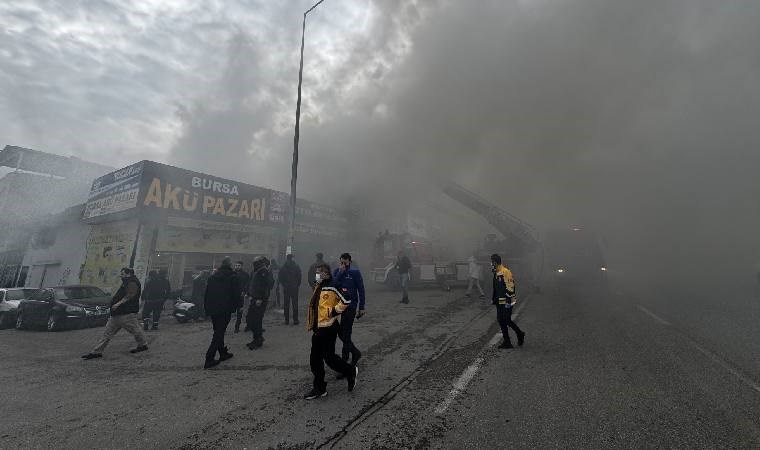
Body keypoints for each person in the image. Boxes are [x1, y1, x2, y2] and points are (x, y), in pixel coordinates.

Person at [304, 263, 358, 400]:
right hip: (318, 327)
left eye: (318, 272)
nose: (316, 275)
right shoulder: (318, 285)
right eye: (316, 272)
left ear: (326, 273)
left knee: (329, 358)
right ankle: (320, 388)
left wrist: (332, 311)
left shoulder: (334, 284)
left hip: (328, 327)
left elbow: (346, 300)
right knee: (316, 359)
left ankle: (350, 371)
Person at [82, 268, 148, 359]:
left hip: (127, 313)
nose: (121, 276)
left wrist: (117, 304)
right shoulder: (126, 282)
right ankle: (96, 352)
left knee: (135, 330)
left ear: (129, 274)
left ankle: (143, 345)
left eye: (123, 274)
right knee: (107, 334)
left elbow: (130, 295)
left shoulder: (132, 282)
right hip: (117, 314)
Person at [203, 257, 240, 369]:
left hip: (213, 309)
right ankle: (209, 358)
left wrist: (207, 308)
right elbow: (236, 294)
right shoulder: (233, 277)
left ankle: (223, 353)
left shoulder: (213, 277)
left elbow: (207, 293)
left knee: (218, 331)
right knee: (219, 333)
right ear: (230, 265)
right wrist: (239, 306)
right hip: (225, 309)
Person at [332, 253, 365, 366]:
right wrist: (340, 272)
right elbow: (333, 284)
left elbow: (361, 290)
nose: (343, 265)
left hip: (351, 306)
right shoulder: (337, 271)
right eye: (341, 262)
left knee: (346, 333)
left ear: (349, 262)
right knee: (341, 334)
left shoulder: (355, 272)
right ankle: (355, 353)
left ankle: (344, 361)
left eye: (345, 263)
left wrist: (361, 307)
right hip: (339, 306)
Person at [491, 254, 525, 349]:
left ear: (495, 262)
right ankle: (507, 342)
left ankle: (519, 333)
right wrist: (494, 299)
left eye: (492, 262)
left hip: (507, 301)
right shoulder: (496, 272)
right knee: (501, 320)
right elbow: (496, 287)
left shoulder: (506, 272)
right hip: (499, 301)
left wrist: (508, 301)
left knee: (506, 320)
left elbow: (511, 287)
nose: (491, 264)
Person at [246, 257, 274, 349]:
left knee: (256, 319)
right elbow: (254, 284)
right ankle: (258, 338)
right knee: (251, 319)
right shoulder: (257, 270)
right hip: (255, 298)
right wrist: (249, 294)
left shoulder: (263, 271)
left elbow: (263, 286)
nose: (254, 262)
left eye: (256, 261)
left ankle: (257, 340)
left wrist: (260, 298)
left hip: (259, 299)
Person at [279, 254, 302, 325]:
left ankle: (287, 320)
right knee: (295, 303)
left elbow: (280, 278)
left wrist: (284, 285)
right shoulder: (296, 266)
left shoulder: (283, 267)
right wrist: (297, 284)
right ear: (292, 258)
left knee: (286, 304)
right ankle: (295, 320)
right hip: (294, 287)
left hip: (286, 288)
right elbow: (299, 276)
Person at [233, 261, 251, 333]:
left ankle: (237, 327)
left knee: (239, 312)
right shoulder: (232, 274)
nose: (237, 267)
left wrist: (244, 291)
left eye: (239, 265)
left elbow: (248, 284)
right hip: (232, 296)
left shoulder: (245, 275)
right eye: (236, 265)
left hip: (241, 296)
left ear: (242, 266)